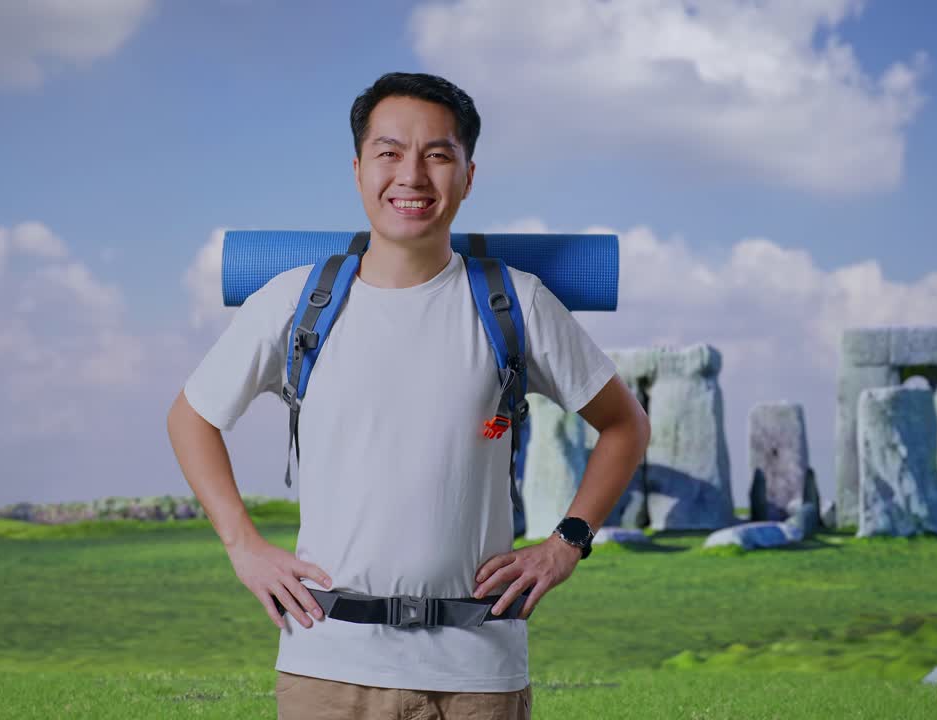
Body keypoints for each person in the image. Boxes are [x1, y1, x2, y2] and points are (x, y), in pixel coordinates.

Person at [167, 72, 650, 720]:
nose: (412, 175)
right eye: (389, 152)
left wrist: (567, 542)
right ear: (358, 169)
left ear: (468, 176)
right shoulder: (293, 303)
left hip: (478, 673)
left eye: (438, 155)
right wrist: (243, 546)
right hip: (327, 669)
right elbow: (190, 418)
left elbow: (625, 425)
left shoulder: (517, 303)